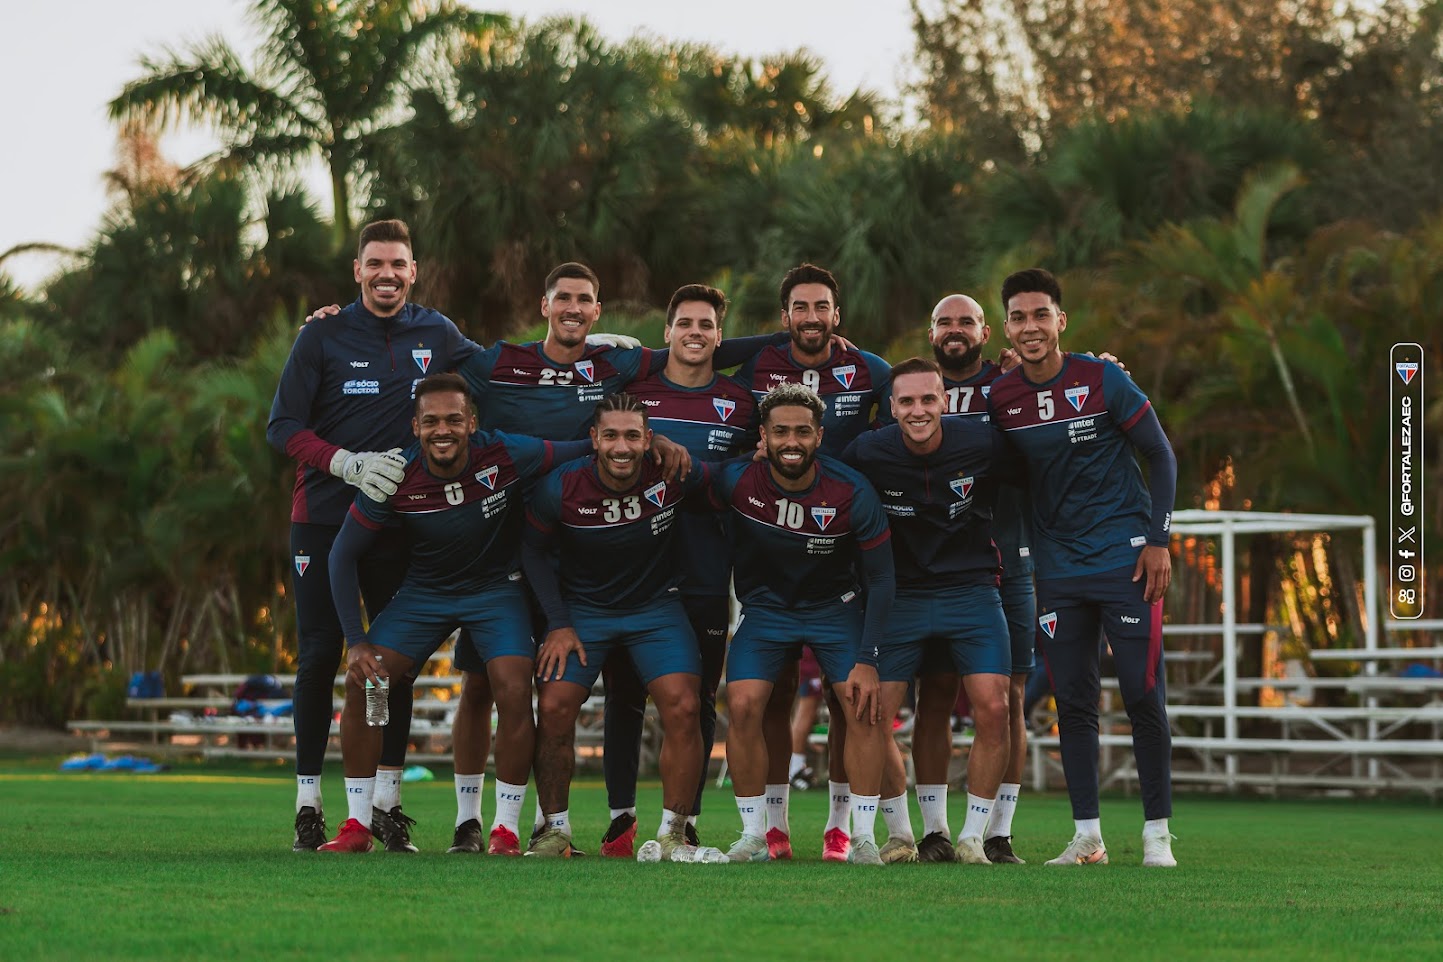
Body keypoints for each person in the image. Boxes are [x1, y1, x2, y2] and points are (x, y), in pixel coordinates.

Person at [267, 218, 479, 852]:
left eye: (398, 265)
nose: (387, 274)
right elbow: (282, 426)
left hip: (396, 524)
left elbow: (498, 369)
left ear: (414, 271)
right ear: (358, 270)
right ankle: (309, 803)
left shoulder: (436, 332)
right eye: (375, 264)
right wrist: (344, 462)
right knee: (318, 656)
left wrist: (588, 357)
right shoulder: (322, 335)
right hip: (325, 519)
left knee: (390, 668)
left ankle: (386, 802)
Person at [316, 374, 591, 853]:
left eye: (453, 420)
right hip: (426, 593)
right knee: (369, 682)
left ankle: (503, 828)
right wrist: (355, 640)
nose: (442, 430)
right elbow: (341, 556)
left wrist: (652, 441)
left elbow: (578, 450)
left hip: (495, 590)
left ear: (472, 422)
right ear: (415, 427)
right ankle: (358, 824)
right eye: (430, 422)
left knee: (511, 683)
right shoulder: (395, 473)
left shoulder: (504, 453)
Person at [988, 268, 1178, 868]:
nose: (1031, 326)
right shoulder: (1002, 396)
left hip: (1126, 560)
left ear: (1060, 320)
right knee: (1072, 702)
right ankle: (1088, 837)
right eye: (1019, 317)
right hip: (1058, 569)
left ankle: (1157, 837)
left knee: (1143, 696)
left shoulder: (1103, 377)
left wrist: (1158, 539)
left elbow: (1160, 453)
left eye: (1041, 314)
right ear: (1008, 327)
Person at [731, 264, 892, 861]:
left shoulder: (855, 484)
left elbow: (881, 577)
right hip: (768, 607)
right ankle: (759, 832)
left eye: (822, 307)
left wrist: (871, 657)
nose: (812, 317)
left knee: (857, 703)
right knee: (747, 703)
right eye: (800, 308)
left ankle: (854, 832)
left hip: (837, 601)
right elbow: (706, 351)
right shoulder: (739, 479)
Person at [521, 393, 723, 863]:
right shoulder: (562, 486)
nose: (621, 446)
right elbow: (531, 550)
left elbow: (730, 481)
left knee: (684, 704)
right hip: (583, 612)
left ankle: (674, 834)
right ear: (593, 439)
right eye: (610, 435)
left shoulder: (671, 472)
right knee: (553, 706)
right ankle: (554, 831)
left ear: (648, 439)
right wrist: (557, 622)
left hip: (656, 608)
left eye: (633, 435)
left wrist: (758, 463)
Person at [594, 284, 758, 856]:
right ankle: (621, 820)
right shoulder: (632, 393)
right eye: (684, 322)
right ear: (666, 333)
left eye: (706, 325)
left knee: (697, 695)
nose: (695, 333)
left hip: (706, 564)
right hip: (633, 568)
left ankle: (683, 821)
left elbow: (749, 477)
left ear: (719, 336)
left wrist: (701, 476)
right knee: (623, 693)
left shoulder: (741, 400)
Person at [843, 357, 1019, 865]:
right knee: (873, 714)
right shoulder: (867, 451)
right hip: (899, 596)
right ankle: (900, 835)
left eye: (928, 399)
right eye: (907, 401)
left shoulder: (982, 442)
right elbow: (825, 484)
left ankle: (971, 839)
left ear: (944, 400)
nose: (918, 410)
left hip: (972, 590)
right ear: (891, 408)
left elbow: (1042, 470)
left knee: (994, 707)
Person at [920, 293, 1036, 864]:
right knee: (935, 694)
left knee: (1008, 699)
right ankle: (935, 831)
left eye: (966, 321)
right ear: (931, 332)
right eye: (945, 322)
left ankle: (996, 832)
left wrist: (1105, 364)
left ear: (987, 331)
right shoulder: (909, 387)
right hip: (928, 567)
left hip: (1008, 559)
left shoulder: (1010, 385)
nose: (955, 330)